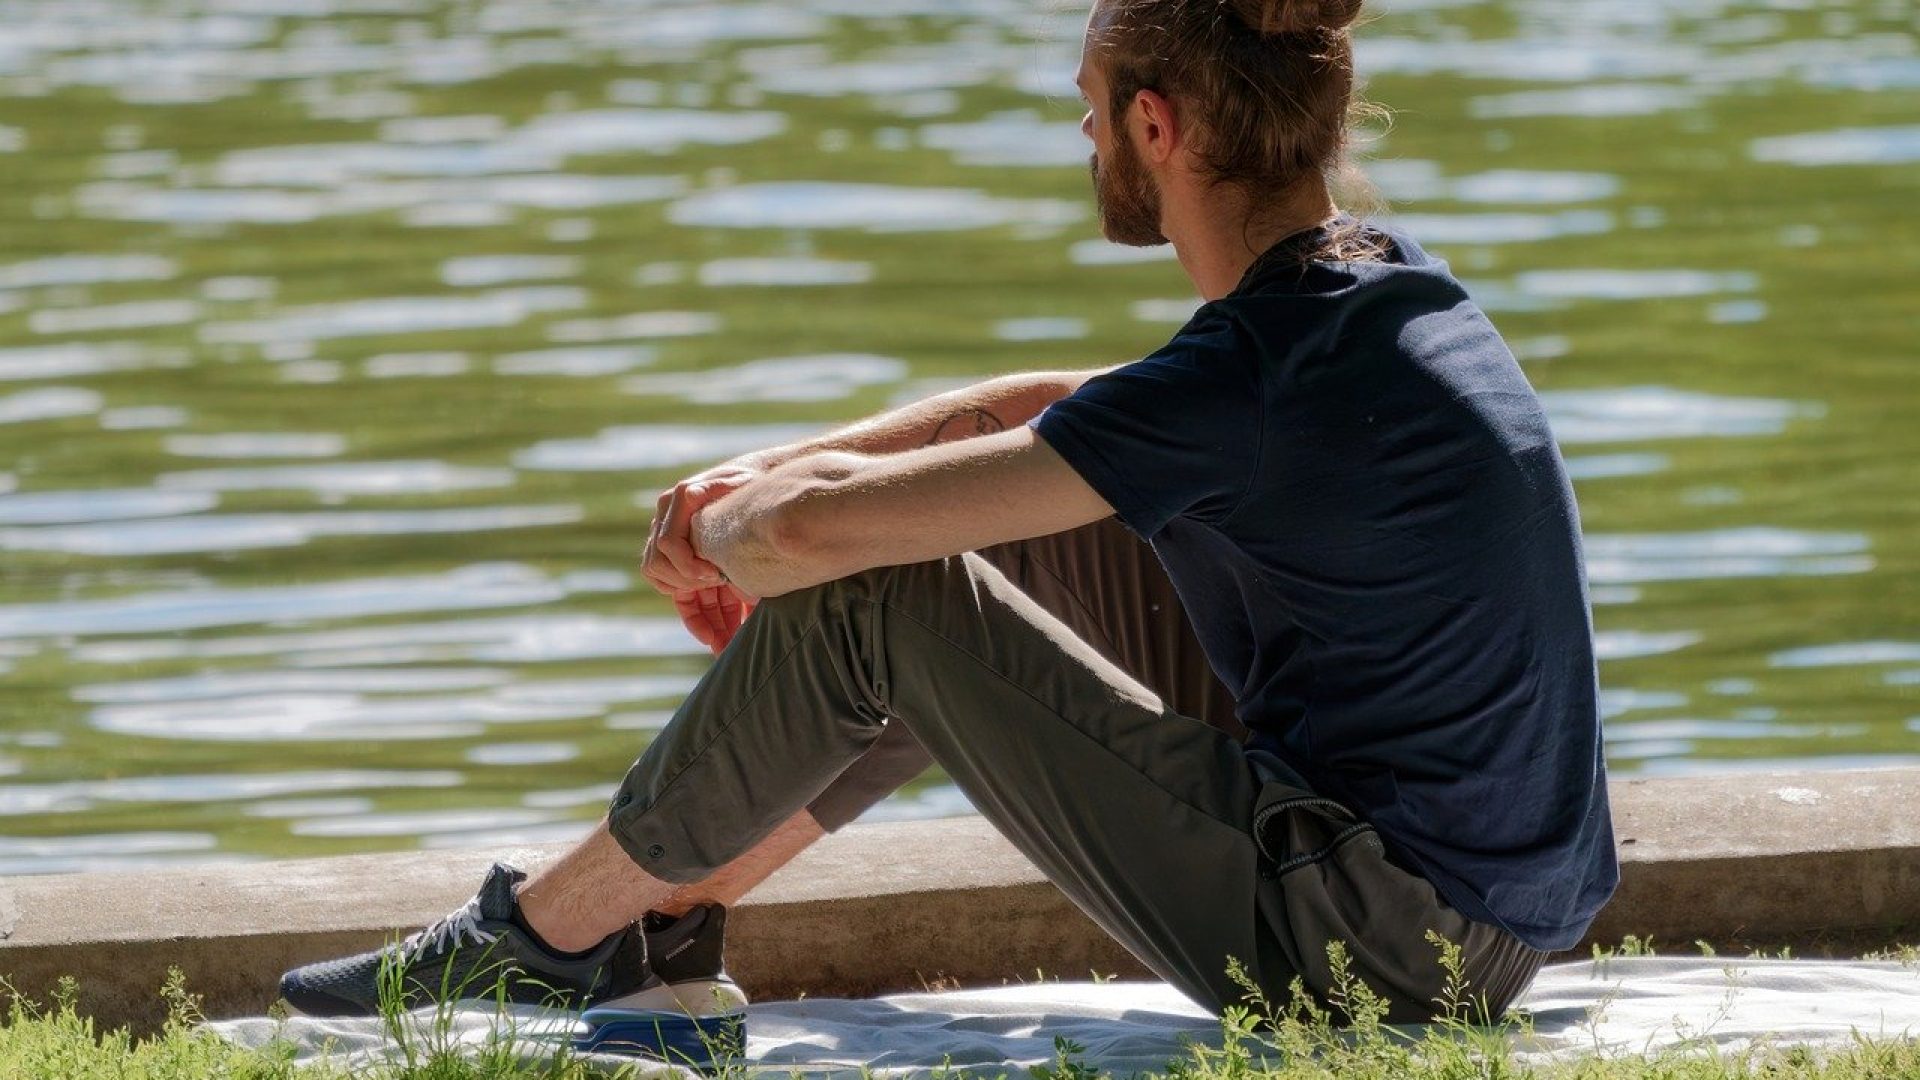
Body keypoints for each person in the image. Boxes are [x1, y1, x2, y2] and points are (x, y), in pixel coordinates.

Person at [280, 0, 1618, 1031]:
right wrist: (770, 471)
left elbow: (816, 544)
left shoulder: (1252, 375)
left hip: (1383, 954)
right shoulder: (1372, 293)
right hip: (1459, 917)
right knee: (987, 520)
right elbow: (1054, 409)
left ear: (1156, 128)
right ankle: (662, 918)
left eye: (1090, 108)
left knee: (882, 583)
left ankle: (543, 939)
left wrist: (736, 534)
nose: (1084, 137)